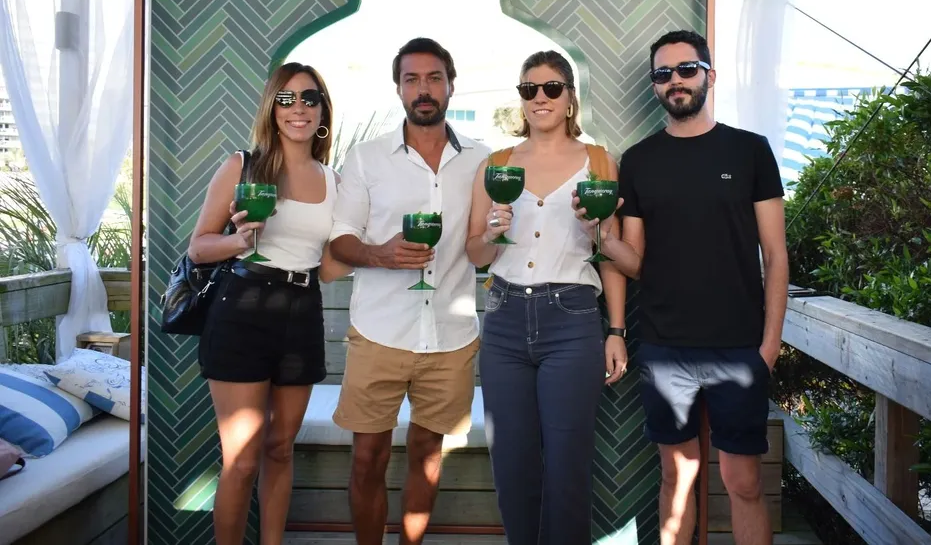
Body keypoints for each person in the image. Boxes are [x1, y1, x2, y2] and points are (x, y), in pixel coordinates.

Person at [575, 30, 789, 545]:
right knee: (676, 479)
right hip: (666, 346)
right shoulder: (640, 160)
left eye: (686, 69)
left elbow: (777, 255)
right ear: (655, 86)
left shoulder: (750, 151)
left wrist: (770, 344)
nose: (676, 81)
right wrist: (599, 232)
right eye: (663, 74)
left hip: (740, 346)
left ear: (709, 76)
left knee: (743, 482)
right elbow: (635, 261)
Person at [328, 37, 490, 545]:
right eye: (412, 79)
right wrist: (380, 254)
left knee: (427, 457)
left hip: (452, 336)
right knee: (368, 459)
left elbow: (487, 241)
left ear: (451, 85)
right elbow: (341, 238)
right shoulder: (365, 158)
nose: (424, 89)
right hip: (379, 333)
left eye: (434, 78)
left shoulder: (483, 160)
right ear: (398, 88)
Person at [465, 50, 628, 545]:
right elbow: (475, 255)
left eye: (551, 88)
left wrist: (616, 330)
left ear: (570, 97)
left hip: (573, 320)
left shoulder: (598, 161)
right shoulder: (496, 165)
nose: (540, 98)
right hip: (505, 318)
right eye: (529, 89)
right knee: (511, 462)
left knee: (567, 463)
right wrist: (493, 232)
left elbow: (609, 255)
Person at [188, 62, 352, 545]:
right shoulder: (243, 166)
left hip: (302, 311)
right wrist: (239, 241)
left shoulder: (335, 182)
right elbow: (199, 247)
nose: (297, 109)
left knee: (280, 449)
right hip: (242, 309)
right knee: (240, 460)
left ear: (322, 110)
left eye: (308, 98)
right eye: (286, 99)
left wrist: (374, 252)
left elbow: (325, 266)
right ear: (272, 109)